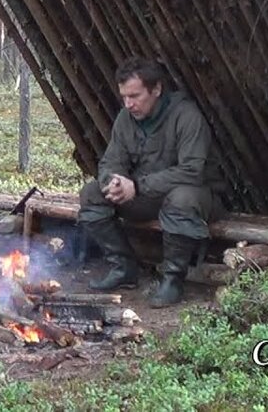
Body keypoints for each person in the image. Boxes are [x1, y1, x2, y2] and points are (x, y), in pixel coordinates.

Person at [77, 57, 226, 307]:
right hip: (148, 195)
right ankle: (123, 267)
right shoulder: (126, 118)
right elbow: (111, 160)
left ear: (156, 89)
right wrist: (113, 181)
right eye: (124, 96)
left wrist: (137, 186)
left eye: (135, 96)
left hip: (197, 197)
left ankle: (173, 279)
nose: (128, 104)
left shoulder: (186, 116)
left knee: (182, 199)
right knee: (92, 193)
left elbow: (192, 171)